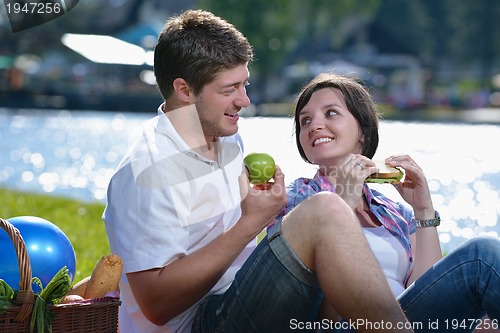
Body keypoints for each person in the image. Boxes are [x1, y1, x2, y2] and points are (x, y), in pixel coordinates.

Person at [102, 9, 415, 333]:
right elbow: (156, 305)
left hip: (247, 296)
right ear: (184, 90)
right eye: (229, 90)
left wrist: (262, 203)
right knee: (326, 208)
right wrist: (251, 222)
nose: (245, 100)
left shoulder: (225, 137)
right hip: (199, 324)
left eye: (244, 85)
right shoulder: (145, 172)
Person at [276, 72, 500, 332]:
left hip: (404, 324)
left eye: (331, 113)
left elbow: (424, 290)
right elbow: (312, 304)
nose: (314, 125)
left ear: (362, 130)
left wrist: (423, 210)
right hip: (346, 325)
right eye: (305, 120)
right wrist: (343, 202)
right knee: (482, 256)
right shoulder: (293, 201)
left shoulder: (395, 213)